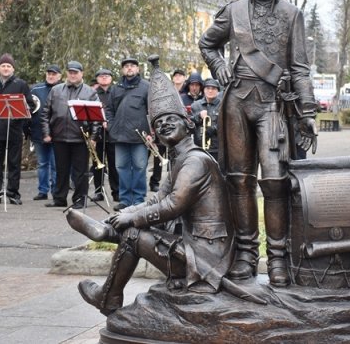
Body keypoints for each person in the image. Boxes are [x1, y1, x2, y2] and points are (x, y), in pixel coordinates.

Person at [65, 57, 234, 315]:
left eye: (170, 120)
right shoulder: (180, 161)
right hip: (193, 246)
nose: (163, 125)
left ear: (188, 124)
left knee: (133, 234)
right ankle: (108, 237)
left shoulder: (196, 162)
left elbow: (173, 204)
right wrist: (127, 213)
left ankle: (108, 295)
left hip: (206, 258)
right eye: (157, 124)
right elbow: (157, 199)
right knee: (133, 225)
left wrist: (131, 219)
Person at [199, 0, 317, 287]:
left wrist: (307, 112)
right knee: (238, 181)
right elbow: (208, 44)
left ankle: (278, 258)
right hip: (236, 103)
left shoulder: (292, 14)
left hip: (273, 107)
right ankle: (247, 254)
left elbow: (299, 67)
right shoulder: (233, 10)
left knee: (276, 182)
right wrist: (219, 68)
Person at [41, 61, 99, 208]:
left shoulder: (90, 92)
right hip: (59, 136)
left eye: (76, 72)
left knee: (80, 172)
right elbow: (46, 113)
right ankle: (59, 199)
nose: (73, 75)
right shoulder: (55, 90)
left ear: (82, 74)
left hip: (81, 138)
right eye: (70, 72)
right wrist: (47, 133)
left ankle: (80, 199)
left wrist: (93, 138)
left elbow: (97, 118)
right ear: (67, 73)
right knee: (61, 170)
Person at [0, 53, 35, 205]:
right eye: (3, 65)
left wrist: (18, 116)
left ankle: (13, 193)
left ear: (13, 69)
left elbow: (29, 104)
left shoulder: (21, 84)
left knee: (14, 163)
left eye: (8, 66)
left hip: (14, 129)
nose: (5, 68)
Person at [105, 56, 150, 211]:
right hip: (119, 135)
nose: (129, 68)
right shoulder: (116, 88)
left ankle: (138, 200)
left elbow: (152, 111)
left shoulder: (146, 87)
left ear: (138, 69)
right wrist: (111, 126)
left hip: (140, 136)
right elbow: (109, 109)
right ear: (123, 70)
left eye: (132, 66)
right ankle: (125, 199)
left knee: (139, 167)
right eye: (126, 66)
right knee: (121, 167)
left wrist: (151, 133)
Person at [28, 64, 62, 201]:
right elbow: (29, 109)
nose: (51, 76)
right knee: (42, 163)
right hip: (38, 132)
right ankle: (42, 191)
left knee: (56, 164)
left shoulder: (63, 89)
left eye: (54, 74)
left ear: (59, 76)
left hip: (58, 133)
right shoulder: (35, 89)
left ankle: (55, 190)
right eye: (49, 73)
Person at [92, 68, 119, 202]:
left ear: (111, 78)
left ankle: (116, 191)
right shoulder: (92, 93)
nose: (104, 78)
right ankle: (98, 191)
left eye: (107, 76)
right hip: (98, 134)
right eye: (101, 76)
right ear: (97, 79)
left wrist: (110, 122)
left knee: (114, 164)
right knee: (97, 163)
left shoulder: (116, 92)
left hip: (113, 133)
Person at [190, 78, 221, 161]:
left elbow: (228, 124)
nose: (210, 91)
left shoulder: (223, 105)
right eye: (208, 88)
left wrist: (213, 129)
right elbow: (189, 123)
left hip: (217, 148)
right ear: (203, 90)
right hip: (199, 147)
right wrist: (199, 116)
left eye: (213, 88)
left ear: (218, 91)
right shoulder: (195, 105)